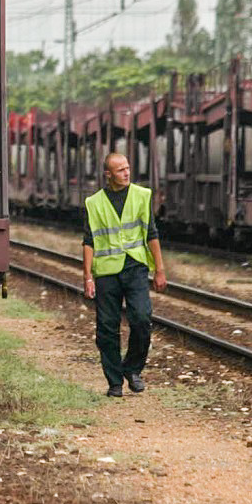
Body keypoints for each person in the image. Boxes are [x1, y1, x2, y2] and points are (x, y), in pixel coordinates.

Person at [81, 152, 167, 397]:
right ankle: (115, 382)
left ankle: (132, 368)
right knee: (107, 328)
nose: (127, 173)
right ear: (108, 175)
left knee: (141, 319)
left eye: (128, 168)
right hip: (107, 271)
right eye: (120, 170)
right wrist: (87, 276)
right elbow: (89, 241)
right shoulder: (94, 203)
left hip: (135, 267)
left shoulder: (142, 195)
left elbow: (152, 233)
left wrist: (159, 270)